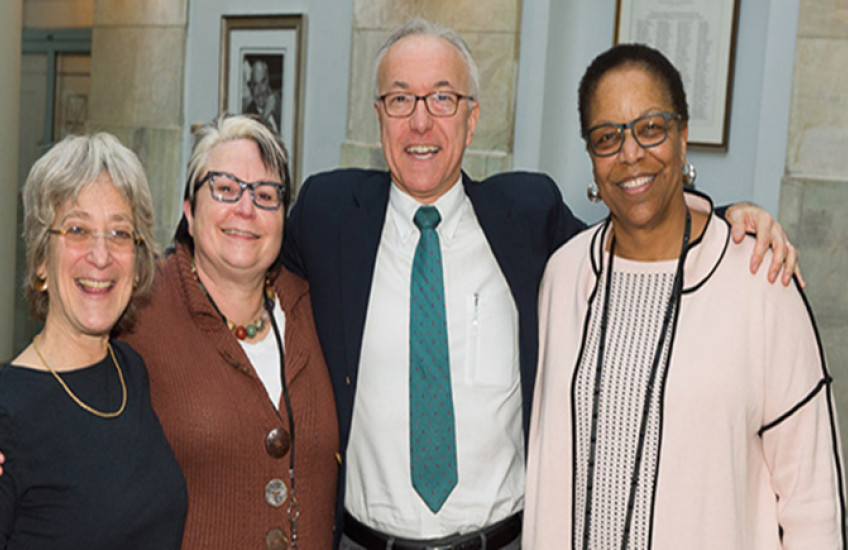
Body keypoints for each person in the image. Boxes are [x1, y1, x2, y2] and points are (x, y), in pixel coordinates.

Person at [283, 19, 799, 549]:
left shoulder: (527, 216)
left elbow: (634, 237)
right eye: (399, 100)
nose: (420, 122)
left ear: (472, 116)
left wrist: (727, 216)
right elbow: (237, 259)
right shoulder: (328, 216)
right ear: (379, 115)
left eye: (442, 98)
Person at [523, 44, 845, 549]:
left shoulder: (760, 280)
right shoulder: (564, 276)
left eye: (651, 128)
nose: (631, 154)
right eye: (608, 137)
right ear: (591, 156)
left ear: (683, 134)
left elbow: (814, 499)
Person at [120, 114, 338, 549]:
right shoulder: (136, 313)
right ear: (189, 208)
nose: (246, 209)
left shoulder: (316, 310)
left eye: (265, 195)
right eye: (224, 188)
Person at [0, 133, 187, 548]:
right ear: (40, 262)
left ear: (137, 266)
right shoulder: (6, 415)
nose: (101, 256)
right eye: (77, 229)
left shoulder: (130, 371)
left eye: (120, 233)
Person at [244, 59, 283, 134]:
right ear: (251, 87)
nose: (260, 90)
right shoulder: (248, 115)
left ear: (268, 80)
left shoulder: (279, 100)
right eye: (255, 84)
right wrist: (265, 113)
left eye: (262, 82)